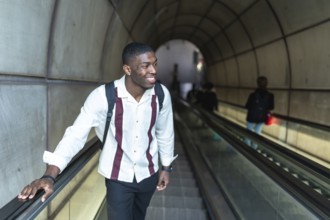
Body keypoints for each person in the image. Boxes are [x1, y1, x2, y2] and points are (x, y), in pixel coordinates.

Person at [18, 42, 176, 220]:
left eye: (155, 64)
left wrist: (166, 168)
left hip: (149, 173)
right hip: (118, 177)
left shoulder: (161, 95)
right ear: (128, 69)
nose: (153, 70)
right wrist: (50, 176)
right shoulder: (104, 96)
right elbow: (75, 135)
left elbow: (165, 133)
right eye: (145, 66)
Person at [245, 76, 274, 148]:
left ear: (257, 83)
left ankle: (246, 148)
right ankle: (254, 149)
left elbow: (247, 106)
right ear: (267, 84)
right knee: (257, 133)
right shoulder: (270, 95)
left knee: (248, 133)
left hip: (251, 116)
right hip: (261, 117)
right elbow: (271, 107)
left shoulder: (253, 95)